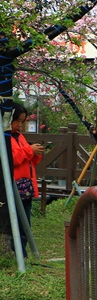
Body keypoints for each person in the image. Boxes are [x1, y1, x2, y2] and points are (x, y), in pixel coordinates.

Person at [5, 102, 44, 252]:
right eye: (17, 121)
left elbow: (27, 159)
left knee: (25, 223)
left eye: (22, 121)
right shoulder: (6, 138)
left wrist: (36, 153)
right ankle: (18, 253)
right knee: (18, 222)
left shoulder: (19, 137)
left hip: (25, 187)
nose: (19, 125)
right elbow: (12, 158)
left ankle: (23, 252)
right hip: (15, 187)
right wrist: (29, 150)